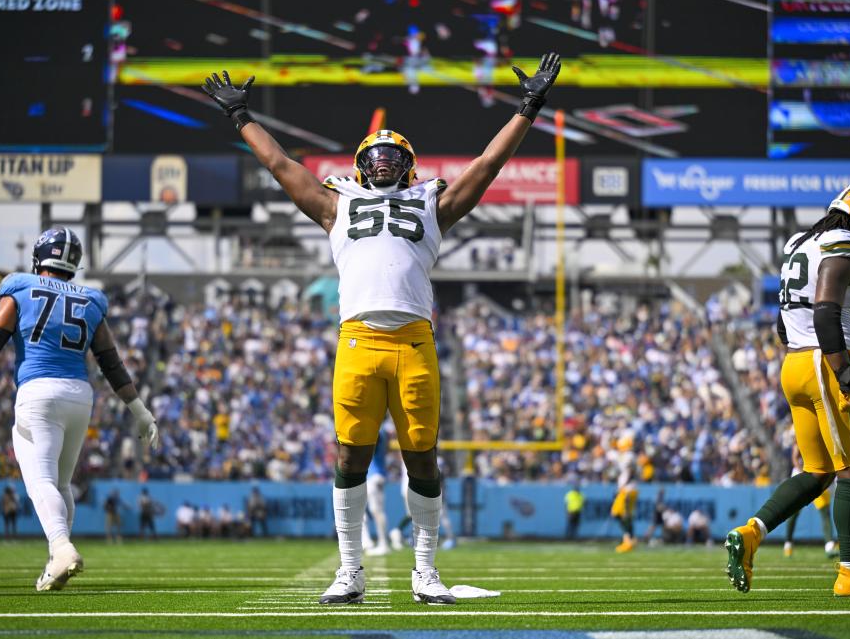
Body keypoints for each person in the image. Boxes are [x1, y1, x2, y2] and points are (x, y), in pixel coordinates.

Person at [202, 51, 561, 606]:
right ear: (362, 163)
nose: (386, 160)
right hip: (358, 339)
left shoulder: (430, 204)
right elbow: (281, 168)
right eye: (377, 153)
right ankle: (351, 572)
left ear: (410, 164)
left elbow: (487, 166)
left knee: (422, 456)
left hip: (414, 340)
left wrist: (529, 106)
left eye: (396, 154)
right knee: (350, 455)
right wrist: (241, 116)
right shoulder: (335, 205)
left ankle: (425, 573)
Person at [725, 184, 850, 597]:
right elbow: (825, 311)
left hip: (795, 364)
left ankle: (751, 533)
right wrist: (842, 374)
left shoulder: (802, 242)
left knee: (817, 471)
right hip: (826, 359)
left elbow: (782, 322)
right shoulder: (842, 243)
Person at [0, 227, 160, 591]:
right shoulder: (91, 299)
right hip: (79, 395)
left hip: (38, 390)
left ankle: (62, 547)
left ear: (40, 259)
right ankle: (56, 562)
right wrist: (140, 410)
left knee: (41, 482)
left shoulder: (20, 286)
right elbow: (110, 362)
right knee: (62, 483)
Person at [782, 446, 838, 558]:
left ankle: (829, 545)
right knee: (794, 511)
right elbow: (795, 456)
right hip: (802, 475)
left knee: (825, 511)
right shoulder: (803, 434)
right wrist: (803, 471)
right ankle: (788, 544)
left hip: (818, 475)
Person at [363, 429, 391, 556]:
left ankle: (383, 543)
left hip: (373, 475)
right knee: (372, 511)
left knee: (376, 511)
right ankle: (370, 542)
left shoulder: (377, 431)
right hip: (377, 474)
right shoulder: (384, 432)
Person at [611, 463, 638, 553]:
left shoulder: (627, 473)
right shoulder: (628, 473)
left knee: (620, 515)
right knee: (626, 517)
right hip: (629, 492)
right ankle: (631, 539)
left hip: (626, 493)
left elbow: (625, 483)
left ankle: (627, 541)